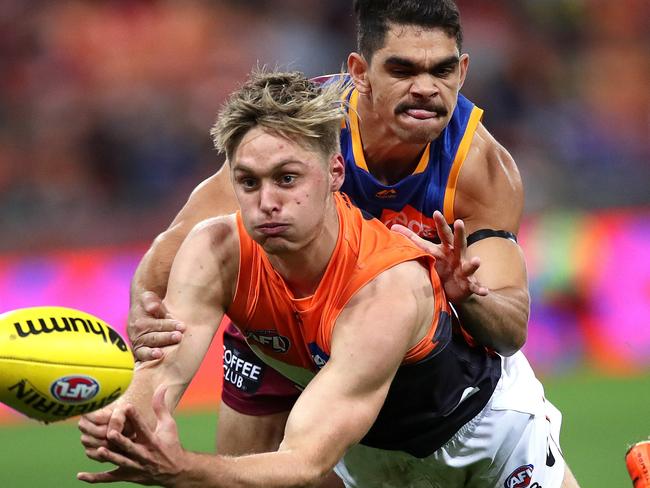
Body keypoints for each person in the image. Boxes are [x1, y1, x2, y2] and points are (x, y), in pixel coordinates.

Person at [124, 1, 579, 485]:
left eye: (442, 70)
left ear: (463, 71)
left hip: (411, 355)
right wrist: (143, 305)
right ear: (359, 71)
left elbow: (510, 333)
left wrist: (467, 296)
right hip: (286, 319)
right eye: (402, 69)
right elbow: (184, 235)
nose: (425, 87)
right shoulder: (304, 130)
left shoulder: (480, 170)